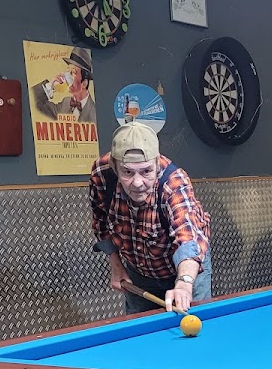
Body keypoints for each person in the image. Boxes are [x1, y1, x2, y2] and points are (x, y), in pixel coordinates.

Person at [89, 121, 211, 314]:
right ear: (114, 166)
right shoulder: (102, 175)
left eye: (146, 171)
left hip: (185, 271)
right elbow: (101, 220)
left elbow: (187, 236)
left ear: (157, 164)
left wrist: (184, 282)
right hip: (138, 272)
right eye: (127, 172)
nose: (138, 183)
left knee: (191, 321)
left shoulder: (173, 183)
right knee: (138, 326)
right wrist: (115, 261)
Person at [33, 46, 96, 122]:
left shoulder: (94, 112)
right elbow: (32, 103)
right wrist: (50, 87)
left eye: (73, 72)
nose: (67, 76)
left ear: (84, 83)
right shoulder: (66, 103)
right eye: (67, 71)